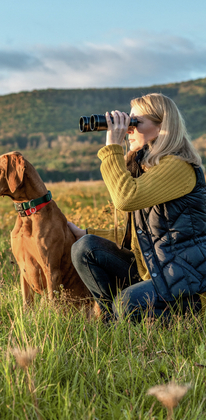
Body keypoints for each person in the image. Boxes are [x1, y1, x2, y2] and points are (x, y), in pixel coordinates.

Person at [68, 93, 206, 322]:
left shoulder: (177, 166)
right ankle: (110, 319)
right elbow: (144, 236)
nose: (128, 130)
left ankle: (185, 313)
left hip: (184, 278)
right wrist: (87, 233)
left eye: (135, 123)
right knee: (86, 247)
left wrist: (112, 145)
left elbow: (126, 198)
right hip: (156, 269)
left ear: (162, 126)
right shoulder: (145, 166)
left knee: (126, 303)